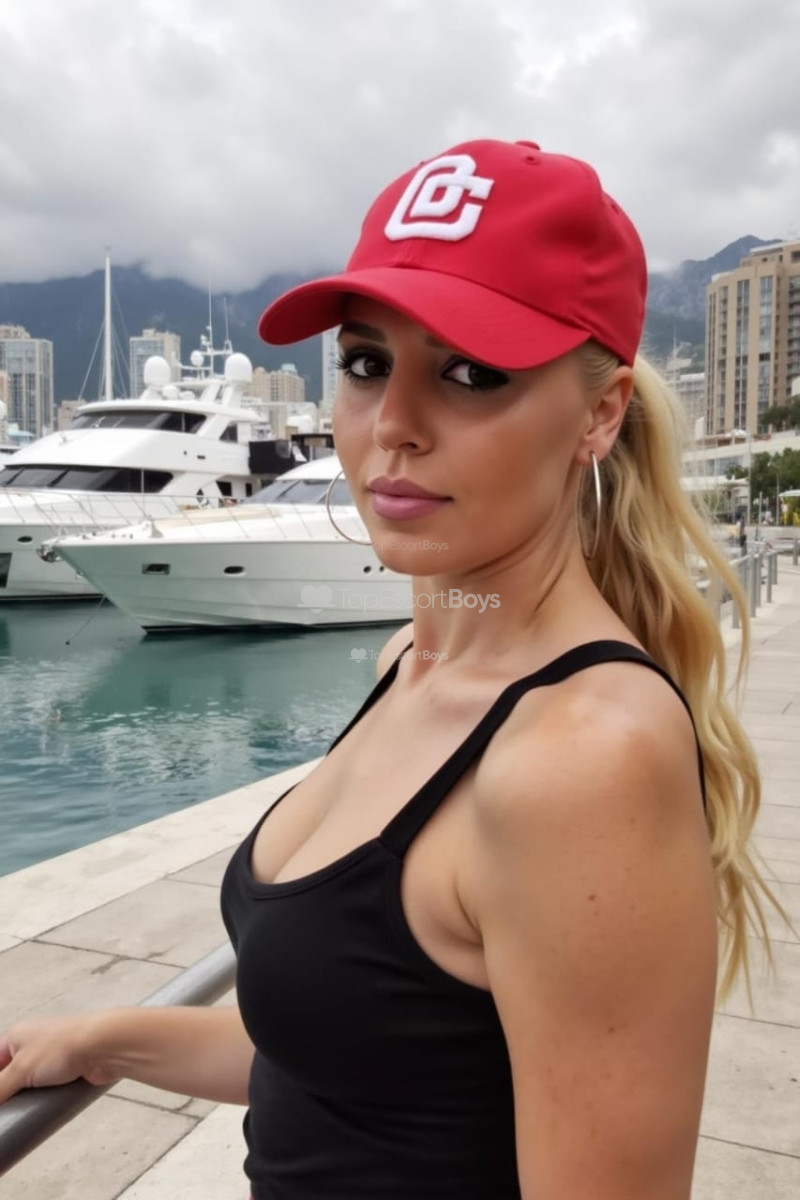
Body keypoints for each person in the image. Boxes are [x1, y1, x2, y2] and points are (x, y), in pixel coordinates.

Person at [0, 140, 792, 1199]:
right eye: (367, 364)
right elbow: (357, 1057)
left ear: (598, 416)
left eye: (471, 373)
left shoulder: (581, 759)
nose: (395, 428)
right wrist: (103, 1040)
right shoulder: (406, 662)